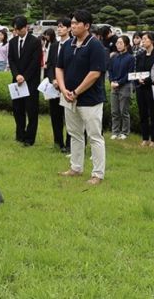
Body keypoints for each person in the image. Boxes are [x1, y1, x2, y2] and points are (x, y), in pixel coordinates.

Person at [56, 10, 108, 185]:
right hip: (68, 97)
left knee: (94, 136)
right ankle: (76, 167)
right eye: (71, 23)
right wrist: (64, 89)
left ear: (87, 26)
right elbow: (59, 68)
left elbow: (95, 73)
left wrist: (77, 91)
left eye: (76, 23)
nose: (72, 26)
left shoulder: (95, 46)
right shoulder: (67, 45)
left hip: (89, 99)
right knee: (75, 133)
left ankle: (97, 174)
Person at [8, 15, 41, 146]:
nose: (16, 32)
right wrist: (17, 75)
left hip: (30, 81)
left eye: (19, 29)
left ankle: (30, 138)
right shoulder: (12, 42)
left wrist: (24, 76)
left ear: (25, 27)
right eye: (15, 29)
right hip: (17, 80)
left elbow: (35, 62)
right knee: (17, 109)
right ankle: (20, 133)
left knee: (31, 110)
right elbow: (11, 60)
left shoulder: (35, 42)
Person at [46, 18, 71, 153]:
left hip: (67, 86)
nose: (59, 29)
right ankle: (58, 142)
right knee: (55, 115)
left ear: (68, 29)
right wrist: (52, 79)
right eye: (58, 27)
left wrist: (62, 82)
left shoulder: (72, 44)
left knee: (68, 116)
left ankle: (69, 144)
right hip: (54, 86)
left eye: (62, 27)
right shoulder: (54, 45)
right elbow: (50, 65)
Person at [134, 32, 154, 146]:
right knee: (142, 113)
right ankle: (145, 138)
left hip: (152, 87)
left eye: (145, 39)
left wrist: (148, 80)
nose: (143, 41)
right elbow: (137, 70)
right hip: (141, 87)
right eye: (142, 39)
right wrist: (138, 79)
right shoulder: (140, 55)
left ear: (152, 41)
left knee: (153, 113)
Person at [108, 35, 134, 140]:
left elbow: (129, 74)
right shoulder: (114, 57)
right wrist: (112, 81)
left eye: (120, 43)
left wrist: (119, 82)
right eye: (117, 43)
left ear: (126, 45)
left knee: (124, 110)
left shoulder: (130, 58)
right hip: (114, 85)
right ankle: (115, 131)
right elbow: (110, 70)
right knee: (114, 110)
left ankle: (125, 132)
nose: (118, 45)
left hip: (125, 86)